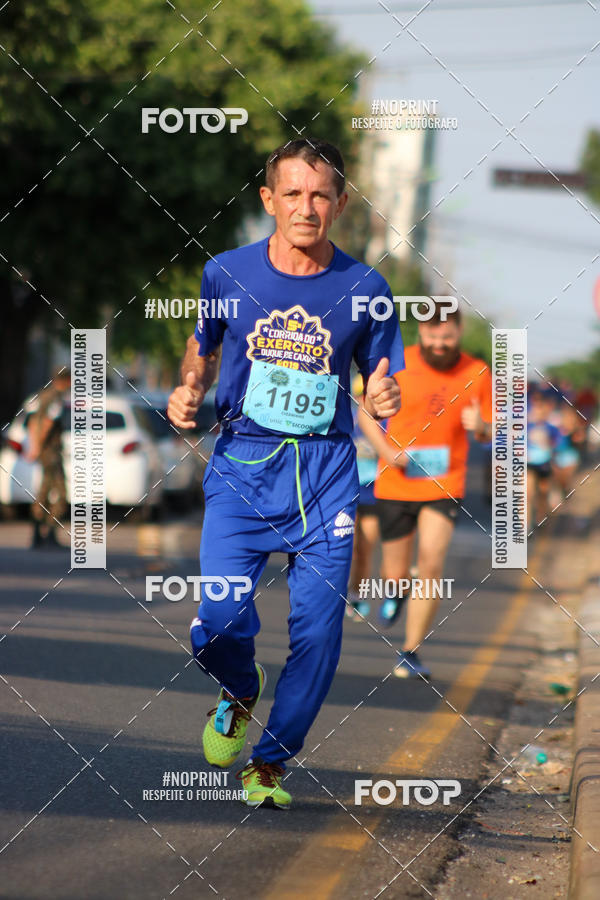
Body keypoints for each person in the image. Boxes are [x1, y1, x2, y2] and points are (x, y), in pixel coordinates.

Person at [167, 139, 404, 809]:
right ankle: (240, 687)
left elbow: (386, 383)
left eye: (321, 194)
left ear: (341, 203)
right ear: (269, 200)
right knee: (217, 618)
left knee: (320, 633)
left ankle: (269, 762)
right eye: (293, 194)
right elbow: (202, 346)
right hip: (243, 464)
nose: (307, 207)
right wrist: (189, 387)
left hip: (325, 473)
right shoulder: (225, 272)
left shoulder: (367, 289)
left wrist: (386, 400)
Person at [358, 303, 492, 679]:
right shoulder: (397, 362)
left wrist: (480, 424)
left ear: (459, 333)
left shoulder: (478, 372)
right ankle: (398, 588)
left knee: (432, 563)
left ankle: (410, 650)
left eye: (447, 336)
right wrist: (386, 452)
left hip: (444, 481)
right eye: (432, 336)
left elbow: (494, 431)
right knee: (394, 572)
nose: (439, 344)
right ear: (420, 332)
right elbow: (365, 413)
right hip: (396, 481)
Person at [346, 374, 380, 621]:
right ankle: (338, 593)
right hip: (347, 491)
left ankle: (357, 594)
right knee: (346, 546)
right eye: (360, 395)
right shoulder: (347, 419)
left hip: (375, 492)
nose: (364, 400)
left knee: (364, 548)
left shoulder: (386, 422)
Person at [26, 367, 71, 549]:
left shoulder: (43, 395)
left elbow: (31, 421)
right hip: (50, 451)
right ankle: (49, 534)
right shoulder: (56, 398)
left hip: (45, 451)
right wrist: (37, 446)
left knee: (44, 490)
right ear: (65, 381)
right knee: (60, 493)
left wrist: (33, 445)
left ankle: (38, 535)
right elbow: (46, 422)